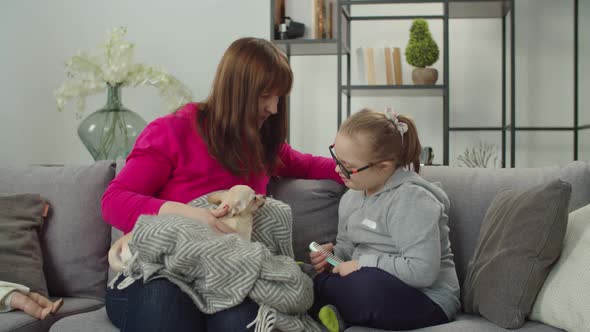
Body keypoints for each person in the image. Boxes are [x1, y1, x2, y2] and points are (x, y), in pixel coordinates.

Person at [101, 37, 342, 332]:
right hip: (156, 271)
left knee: (243, 319)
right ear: (236, 91)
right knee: (166, 303)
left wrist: (377, 163)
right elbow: (113, 200)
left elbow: (314, 166)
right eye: (266, 95)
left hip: (225, 275)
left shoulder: (262, 144)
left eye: (279, 96)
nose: (274, 108)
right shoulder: (173, 130)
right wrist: (191, 215)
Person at [309, 108, 460, 332]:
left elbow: (422, 270)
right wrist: (333, 257)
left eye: (348, 167)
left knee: (367, 288)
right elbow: (348, 246)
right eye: (336, 158)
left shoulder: (411, 200)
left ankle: (333, 306)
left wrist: (361, 265)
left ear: (384, 166)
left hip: (427, 299)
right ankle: (330, 305)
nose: (337, 170)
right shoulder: (351, 196)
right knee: (309, 279)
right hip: (369, 283)